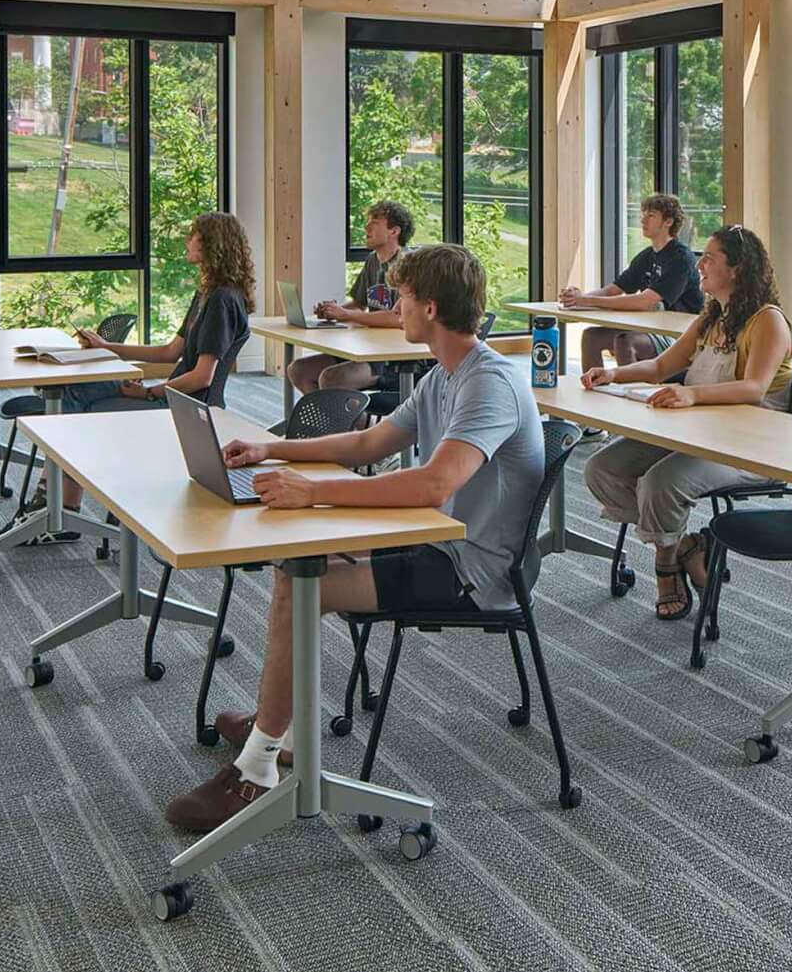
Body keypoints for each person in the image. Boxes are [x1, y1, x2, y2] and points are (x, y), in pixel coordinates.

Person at [163, 242, 544, 833]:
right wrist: (273, 447)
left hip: (470, 570)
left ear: (433, 310)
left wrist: (315, 492)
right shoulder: (445, 374)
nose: (395, 307)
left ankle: (260, 763)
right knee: (298, 560)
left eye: (405, 298)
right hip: (434, 542)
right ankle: (278, 728)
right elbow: (369, 444)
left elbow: (434, 483)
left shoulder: (488, 383)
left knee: (300, 584)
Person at [580, 225, 792, 622]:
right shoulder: (711, 317)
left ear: (737, 269)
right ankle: (685, 548)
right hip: (697, 432)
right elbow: (663, 366)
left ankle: (666, 568)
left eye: (710, 257)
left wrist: (693, 395)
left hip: (750, 445)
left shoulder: (768, 321)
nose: (700, 263)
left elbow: (754, 388)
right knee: (602, 469)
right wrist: (614, 374)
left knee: (662, 483)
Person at [48, 211, 254, 523]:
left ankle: (57, 505)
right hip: (168, 396)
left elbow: (202, 377)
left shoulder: (223, 301)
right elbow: (170, 352)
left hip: (188, 408)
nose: (187, 240)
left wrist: (149, 393)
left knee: (75, 405)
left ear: (212, 244)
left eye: (193, 235)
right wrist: (107, 347)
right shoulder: (207, 293)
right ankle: (61, 504)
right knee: (75, 389)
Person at [286, 198, 413, 400]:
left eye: (375, 222)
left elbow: (397, 318)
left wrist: (344, 314)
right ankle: (332, 424)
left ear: (394, 231)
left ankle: (363, 430)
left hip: (392, 357)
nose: (367, 227)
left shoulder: (408, 264)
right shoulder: (372, 260)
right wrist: (333, 313)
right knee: (299, 370)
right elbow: (359, 304)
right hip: (369, 349)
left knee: (332, 378)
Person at [560, 192, 703, 371]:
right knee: (591, 337)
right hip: (651, 328)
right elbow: (612, 290)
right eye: (643, 214)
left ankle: (629, 395)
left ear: (668, 222)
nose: (643, 220)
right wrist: (575, 300)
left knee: (625, 342)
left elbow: (644, 301)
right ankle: (595, 389)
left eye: (650, 216)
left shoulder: (681, 258)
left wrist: (586, 300)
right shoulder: (647, 256)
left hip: (680, 336)